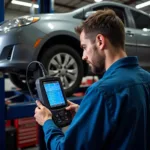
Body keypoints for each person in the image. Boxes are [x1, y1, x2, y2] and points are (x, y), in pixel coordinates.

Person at [34, 9, 150, 150]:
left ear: (100, 41)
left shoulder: (102, 92)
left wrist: (47, 122)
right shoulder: (146, 79)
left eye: (84, 47)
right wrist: (87, 112)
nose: (83, 56)